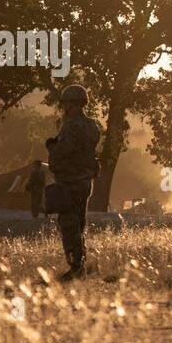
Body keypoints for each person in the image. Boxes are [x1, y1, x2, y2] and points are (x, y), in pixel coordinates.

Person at [45, 84, 102, 280]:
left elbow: (64, 152)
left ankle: (76, 267)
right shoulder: (93, 125)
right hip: (86, 181)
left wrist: (52, 146)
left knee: (69, 225)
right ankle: (82, 264)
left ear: (73, 104)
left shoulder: (70, 126)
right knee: (80, 223)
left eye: (67, 104)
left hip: (70, 181)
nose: (65, 108)